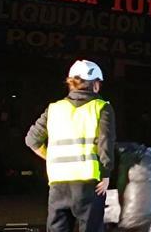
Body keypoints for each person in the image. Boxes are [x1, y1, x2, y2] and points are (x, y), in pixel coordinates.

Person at [25, 60, 115, 232]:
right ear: (95, 84)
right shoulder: (102, 108)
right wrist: (106, 174)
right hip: (89, 185)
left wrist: (49, 157)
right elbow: (106, 143)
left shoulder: (54, 109)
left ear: (71, 83)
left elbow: (32, 140)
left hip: (58, 184)